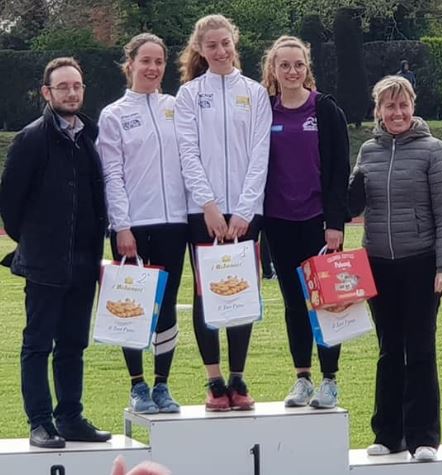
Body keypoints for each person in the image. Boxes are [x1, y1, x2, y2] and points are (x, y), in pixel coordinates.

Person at [0, 57, 111, 448]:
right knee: (37, 345)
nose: (71, 93)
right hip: (44, 263)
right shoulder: (31, 139)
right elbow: (10, 204)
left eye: (76, 86)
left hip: (84, 262)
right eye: (63, 87)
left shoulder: (89, 136)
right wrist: (36, 242)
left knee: (73, 344)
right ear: (47, 92)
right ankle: (40, 423)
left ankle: (70, 417)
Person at [349, 75, 442, 461]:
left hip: (421, 263)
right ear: (378, 110)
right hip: (378, 264)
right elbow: (354, 205)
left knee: (421, 350)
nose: (397, 113)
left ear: (413, 106)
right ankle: (388, 433)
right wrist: (349, 190)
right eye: (389, 106)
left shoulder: (434, 150)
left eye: (403, 105)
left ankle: (424, 437)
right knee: (389, 350)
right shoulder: (367, 151)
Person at [175, 14, 271, 411]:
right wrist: (209, 206)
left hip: (247, 213)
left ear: (235, 43)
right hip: (203, 213)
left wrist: (245, 210)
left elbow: (260, 153)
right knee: (207, 292)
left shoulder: (255, 93)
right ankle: (214, 381)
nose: (220, 51)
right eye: (211, 45)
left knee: (241, 290)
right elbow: (188, 153)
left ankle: (238, 377)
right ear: (200, 49)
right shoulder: (188, 95)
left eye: (225, 43)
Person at [97, 33, 188, 414]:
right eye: (145, 61)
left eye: (159, 62)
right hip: (132, 226)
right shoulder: (114, 114)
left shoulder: (176, 107)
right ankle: (138, 385)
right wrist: (121, 226)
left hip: (174, 223)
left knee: (166, 306)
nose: (152, 68)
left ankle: (162, 385)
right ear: (130, 63)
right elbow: (112, 174)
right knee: (131, 305)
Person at [261, 36, 350, 409]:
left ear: (306, 67)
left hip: (318, 223)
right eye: (284, 65)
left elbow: (340, 169)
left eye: (298, 64)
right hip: (279, 222)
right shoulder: (265, 112)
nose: (292, 71)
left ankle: (330, 380)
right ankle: (302, 378)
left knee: (327, 302)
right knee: (294, 304)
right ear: (273, 69)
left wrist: (336, 222)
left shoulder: (325, 109)